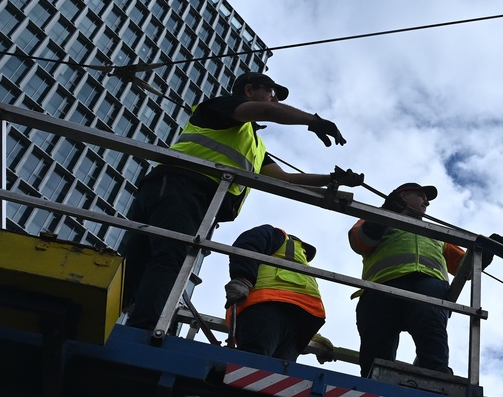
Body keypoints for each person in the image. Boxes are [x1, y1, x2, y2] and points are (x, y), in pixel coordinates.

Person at [120, 71, 359, 331]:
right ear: (248, 91)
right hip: (180, 186)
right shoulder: (221, 108)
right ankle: (143, 329)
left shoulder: (254, 144)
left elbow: (284, 178)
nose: (274, 99)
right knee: (169, 257)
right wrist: (313, 121)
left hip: (190, 198)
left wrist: (331, 179)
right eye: (270, 92)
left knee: (136, 264)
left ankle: (116, 315)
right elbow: (268, 111)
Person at [348, 182, 465, 377]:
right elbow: (360, 242)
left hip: (427, 284)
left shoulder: (437, 233)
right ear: (403, 196)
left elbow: (464, 267)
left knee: (429, 324)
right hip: (382, 285)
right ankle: (373, 379)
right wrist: (383, 215)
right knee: (377, 342)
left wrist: (483, 253)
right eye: (421, 196)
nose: (426, 202)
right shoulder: (375, 219)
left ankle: (436, 373)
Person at [224, 224, 335, 363]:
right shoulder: (279, 236)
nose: (305, 254)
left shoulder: (304, 266)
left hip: (299, 319)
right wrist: (243, 278)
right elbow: (249, 243)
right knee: (252, 363)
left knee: (280, 373)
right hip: (266, 304)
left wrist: (312, 339)